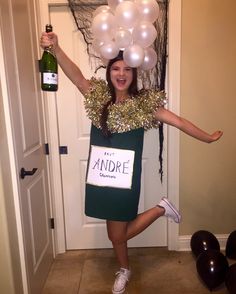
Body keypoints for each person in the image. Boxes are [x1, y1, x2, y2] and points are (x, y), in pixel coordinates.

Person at [40, 31, 223, 294]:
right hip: (101, 178)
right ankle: (124, 268)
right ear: (109, 72)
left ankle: (161, 209)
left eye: (127, 69)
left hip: (124, 181)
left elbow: (179, 122)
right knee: (115, 233)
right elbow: (76, 75)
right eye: (116, 68)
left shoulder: (145, 104)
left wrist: (206, 138)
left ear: (134, 74)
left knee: (117, 235)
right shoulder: (97, 97)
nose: (121, 73)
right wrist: (55, 49)